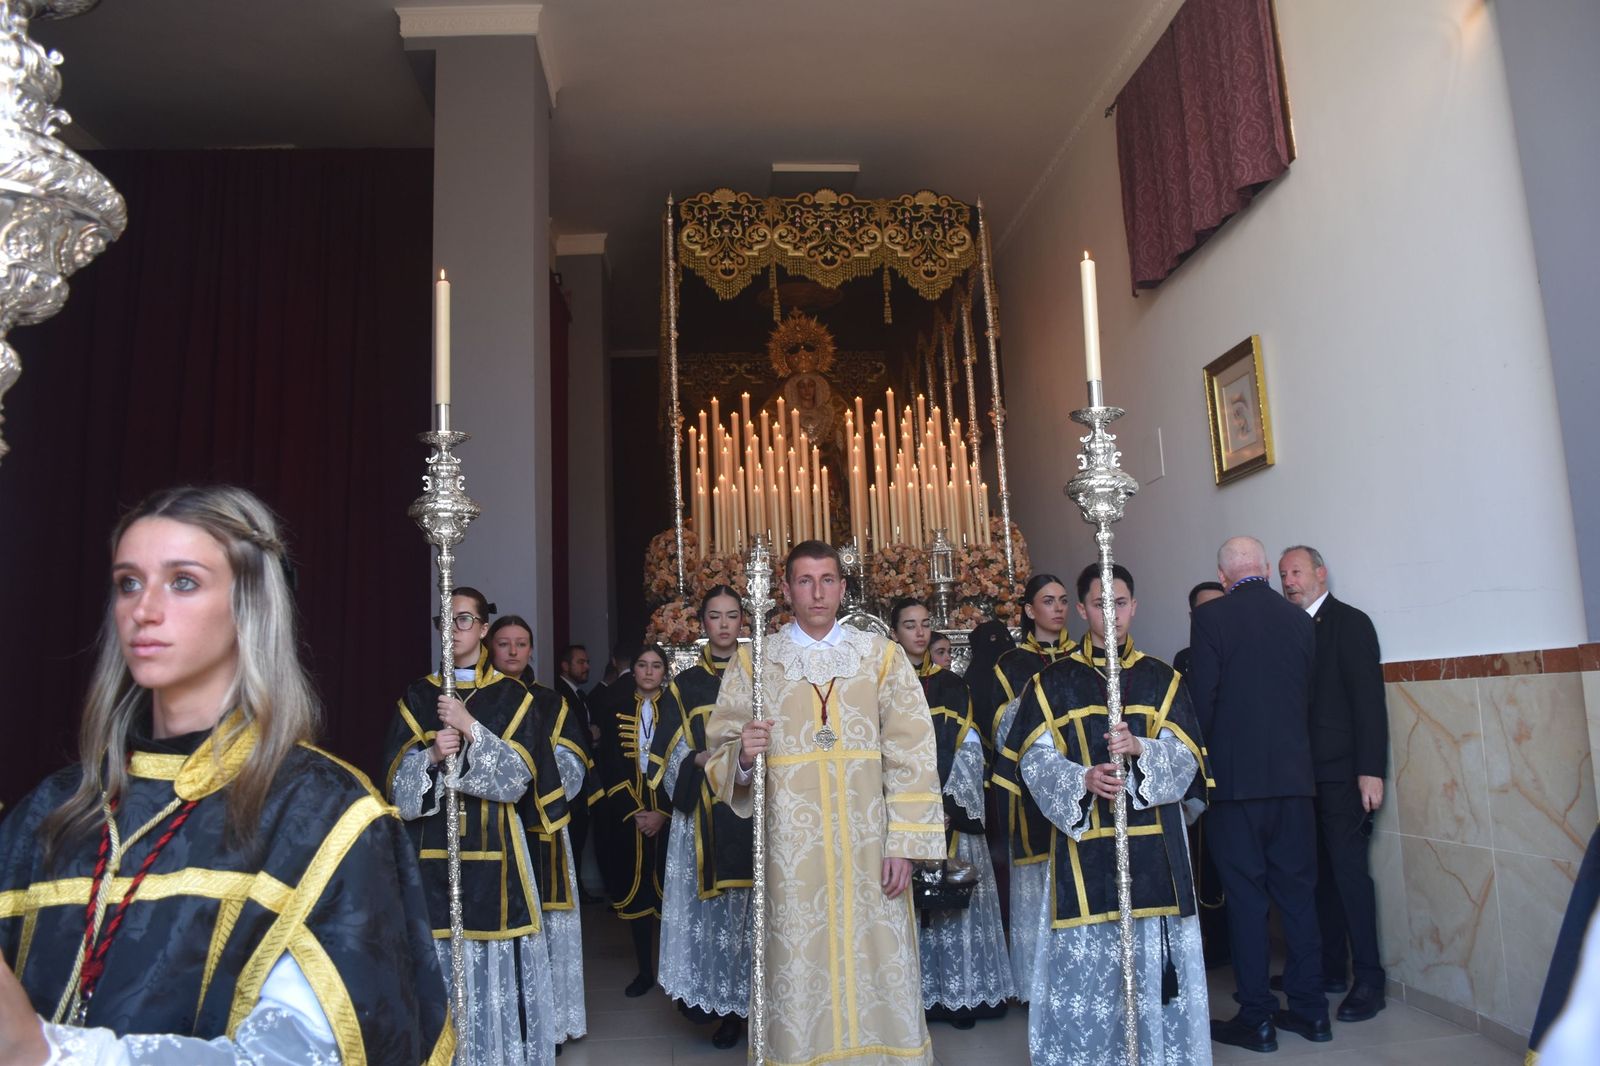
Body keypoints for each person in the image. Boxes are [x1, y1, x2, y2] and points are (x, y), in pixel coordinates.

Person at [0, 485, 451, 1064]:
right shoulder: (53, 809)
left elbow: (301, 1055)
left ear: (250, 604)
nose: (144, 610)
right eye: (128, 583)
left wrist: (47, 1051)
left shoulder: (321, 813)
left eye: (183, 581)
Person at [704, 540, 945, 1066]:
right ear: (786, 589)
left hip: (871, 848)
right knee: (798, 964)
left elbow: (912, 752)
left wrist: (904, 844)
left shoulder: (880, 657)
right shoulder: (755, 661)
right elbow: (720, 750)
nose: (817, 592)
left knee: (878, 961)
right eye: (805, 581)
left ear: (842, 587)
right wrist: (743, 754)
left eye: (828, 580)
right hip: (793, 857)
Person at [997, 562, 1212, 1065]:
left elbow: (1188, 761)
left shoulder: (1163, 679)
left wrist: (1142, 748)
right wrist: (1082, 780)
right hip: (1083, 855)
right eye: (1099, 604)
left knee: (1154, 968)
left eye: (1119, 603)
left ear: (1134, 606)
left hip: (1157, 851)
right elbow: (1034, 761)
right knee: (1091, 967)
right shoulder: (1053, 683)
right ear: (1081, 609)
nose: (1110, 614)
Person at [384, 587, 568, 1066]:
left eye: (464, 619)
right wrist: (430, 754)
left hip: (498, 853)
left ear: (484, 629)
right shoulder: (418, 696)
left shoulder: (513, 696)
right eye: (445, 619)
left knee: (495, 971)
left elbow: (516, 781)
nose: (454, 629)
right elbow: (398, 792)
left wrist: (469, 725)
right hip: (431, 854)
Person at [1187, 536, 1326, 1052]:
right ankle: (1311, 1011)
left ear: (1223, 577)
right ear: (1266, 569)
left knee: (1246, 901)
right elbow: (1305, 697)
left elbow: (1203, 700)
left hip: (1237, 786)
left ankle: (1258, 1018)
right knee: (1298, 896)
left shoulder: (1211, 619)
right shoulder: (1299, 620)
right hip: (1294, 783)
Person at [888, 598, 1013, 1030]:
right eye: (909, 625)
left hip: (947, 813)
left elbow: (970, 745)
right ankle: (911, 1000)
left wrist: (948, 805)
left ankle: (958, 996)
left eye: (925, 624)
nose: (920, 633)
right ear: (894, 634)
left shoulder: (952, 685)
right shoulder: (880, 684)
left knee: (952, 903)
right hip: (897, 815)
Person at [1278, 545, 1389, 1021]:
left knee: (1349, 876)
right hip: (1304, 776)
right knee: (1316, 876)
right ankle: (1328, 969)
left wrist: (1371, 769)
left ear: (1321, 573)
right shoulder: (1288, 628)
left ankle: (1370, 979)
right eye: (1283, 575)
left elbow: (1368, 703)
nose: (1289, 582)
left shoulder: (1350, 623)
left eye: (1296, 572)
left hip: (1344, 775)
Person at [647, 587, 752, 1050]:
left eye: (731, 615)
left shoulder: (762, 674)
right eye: (715, 616)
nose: (724, 624)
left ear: (743, 621)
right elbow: (665, 751)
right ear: (702, 623)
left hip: (759, 808)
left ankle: (767, 1006)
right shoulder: (684, 685)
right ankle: (727, 1010)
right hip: (706, 814)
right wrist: (699, 757)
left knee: (759, 913)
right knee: (720, 921)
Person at [488, 616, 597, 1051]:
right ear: (490, 647)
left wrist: (523, 787)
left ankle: (547, 1025)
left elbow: (572, 763)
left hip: (542, 826)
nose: (513, 651)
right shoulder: (475, 701)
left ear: (531, 650)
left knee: (545, 926)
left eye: (521, 643)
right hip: (491, 826)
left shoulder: (552, 703)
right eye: (504, 644)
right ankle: (505, 1024)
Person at [982, 572, 1073, 1003]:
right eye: (1048, 601)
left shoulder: (1081, 655)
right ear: (1030, 610)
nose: (1058, 608)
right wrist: (1031, 703)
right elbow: (998, 727)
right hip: (1030, 791)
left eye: (1063, 600)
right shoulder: (1010, 664)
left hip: (1079, 778)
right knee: (1039, 886)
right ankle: (1037, 985)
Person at [592, 644, 676, 998]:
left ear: (664, 671)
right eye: (642, 664)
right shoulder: (616, 709)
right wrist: (636, 811)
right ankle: (645, 971)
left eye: (656, 665)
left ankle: (675, 974)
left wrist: (664, 812)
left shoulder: (676, 709)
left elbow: (683, 760)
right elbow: (609, 762)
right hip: (630, 812)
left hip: (670, 809)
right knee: (638, 894)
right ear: (634, 669)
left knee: (671, 893)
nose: (648, 671)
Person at [1173, 579, 1229, 968]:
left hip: (1240, 777)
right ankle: (1214, 944)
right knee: (1204, 863)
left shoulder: (1244, 650)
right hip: (1201, 780)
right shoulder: (1185, 659)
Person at [556, 643, 601, 901]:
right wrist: (590, 735)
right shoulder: (561, 695)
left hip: (582, 778)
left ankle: (576, 890)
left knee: (580, 835)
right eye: (580, 662)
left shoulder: (579, 694)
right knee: (572, 837)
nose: (587, 667)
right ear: (565, 666)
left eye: (587, 662)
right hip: (570, 780)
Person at [1171, 581, 1225, 678]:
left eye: (1221, 609)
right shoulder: (1184, 659)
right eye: (1206, 610)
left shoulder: (1246, 654)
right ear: (1193, 617)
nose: (1215, 616)